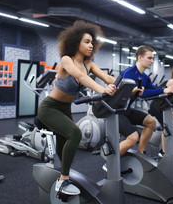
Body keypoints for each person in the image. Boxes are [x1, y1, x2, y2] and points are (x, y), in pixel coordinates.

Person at [37, 20, 117, 196]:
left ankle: (62, 173)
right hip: (50, 107)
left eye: (92, 42)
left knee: (63, 145)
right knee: (75, 133)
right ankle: (63, 181)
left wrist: (129, 86)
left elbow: (108, 78)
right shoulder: (67, 60)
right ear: (76, 42)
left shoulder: (89, 64)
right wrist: (103, 90)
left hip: (65, 108)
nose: (90, 45)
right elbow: (80, 77)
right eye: (86, 41)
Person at [107, 45, 173, 164]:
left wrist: (169, 91)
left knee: (151, 122)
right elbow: (141, 94)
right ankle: (110, 163)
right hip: (114, 111)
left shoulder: (145, 77)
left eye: (152, 58)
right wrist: (163, 90)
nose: (152, 61)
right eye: (149, 58)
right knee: (133, 138)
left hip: (126, 110)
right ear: (140, 57)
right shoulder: (129, 73)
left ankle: (141, 153)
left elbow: (154, 92)